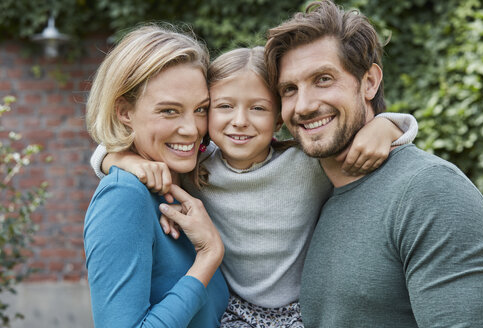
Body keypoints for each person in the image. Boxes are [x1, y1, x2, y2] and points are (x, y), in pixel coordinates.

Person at [90, 44, 418, 327]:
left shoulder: (306, 165)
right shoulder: (198, 168)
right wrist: (121, 160)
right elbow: (108, 154)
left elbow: (371, 137)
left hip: (302, 310)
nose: (240, 121)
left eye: (258, 108)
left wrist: (383, 126)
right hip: (236, 313)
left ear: (279, 117)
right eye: (222, 107)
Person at [264, 1, 483, 327]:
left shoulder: (429, 191)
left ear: (369, 81)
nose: (304, 105)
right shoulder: (304, 192)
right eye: (289, 89)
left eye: (324, 79)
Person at [84, 25, 229, 327]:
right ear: (124, 111)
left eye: (201, 109)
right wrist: (208, 256)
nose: (192, 129)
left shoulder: (192, 173)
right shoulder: (124, 196)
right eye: (169, 111)